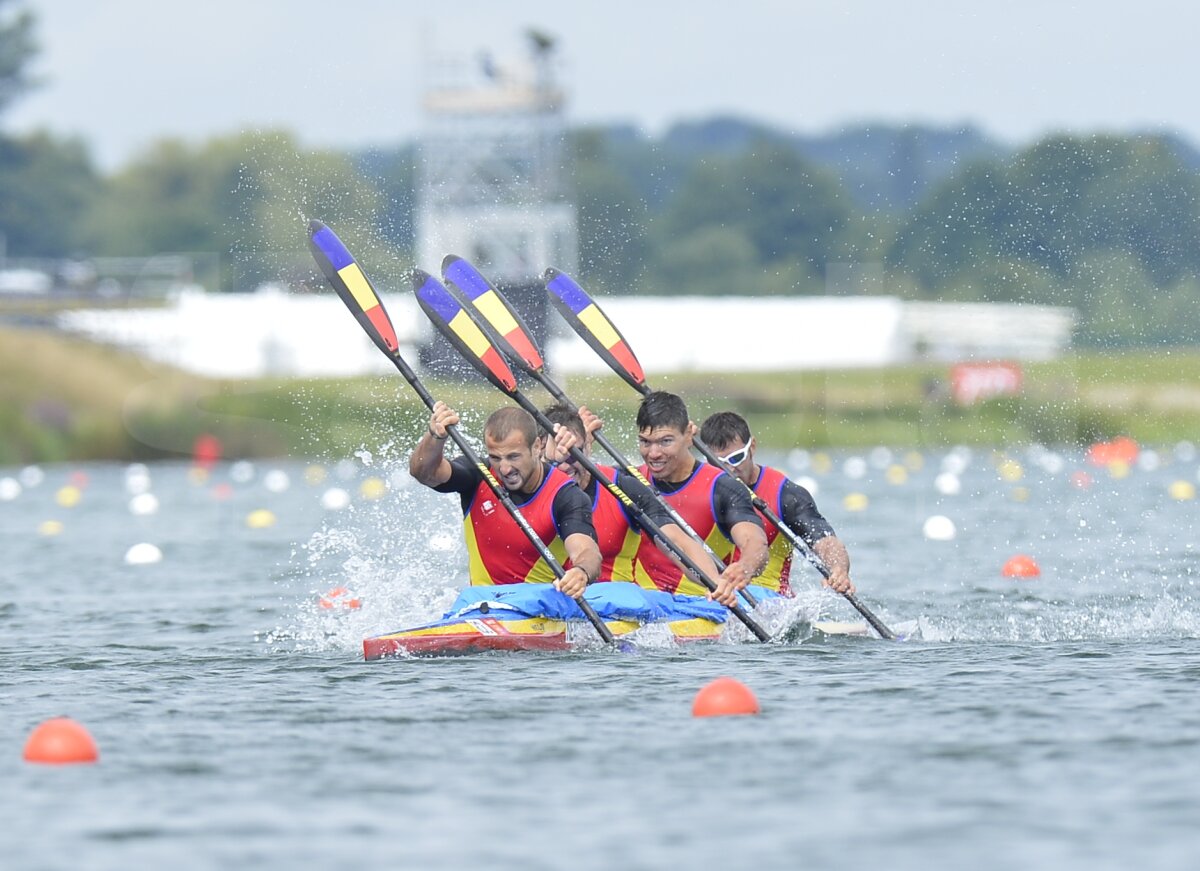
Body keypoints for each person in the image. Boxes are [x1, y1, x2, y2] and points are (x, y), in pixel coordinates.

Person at [583, 391, 768, 607]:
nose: (653, 453)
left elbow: (755, 542)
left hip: (705, 604)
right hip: (647, 607)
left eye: (665, 441)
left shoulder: (723, 486)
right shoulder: (627, 481)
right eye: (645, 442)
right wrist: (582, 448)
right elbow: (572, 486)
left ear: (689, 435)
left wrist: (745, 566)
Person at [409, 402, 601, 598]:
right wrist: (435, 437)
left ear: (536, 447)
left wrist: (581, 572)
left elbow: (586, 550)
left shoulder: (566, 495)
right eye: (496, 458)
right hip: (482, 608)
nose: (505, 469)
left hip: (541, 610)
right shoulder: (479, 475)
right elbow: (424, 473)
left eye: (513, 457)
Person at [540, 403, 719, 585]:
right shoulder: (519, 490)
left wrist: (714, 583)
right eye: (554, 460)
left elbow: (676, 542)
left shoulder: (624, 488)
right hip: (548, 603)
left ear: (588, 447)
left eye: (572, 454)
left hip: (616, 605)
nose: (563, 466)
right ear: (538, 453)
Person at [699, 411, 854, 595]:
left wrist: (838, 569)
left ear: (752, 447)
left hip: (770, 602)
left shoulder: (786, 494)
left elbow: (825, 541)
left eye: (736, 458)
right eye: (717, 462)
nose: (730, 469)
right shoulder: (696, 487)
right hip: (713, 598)